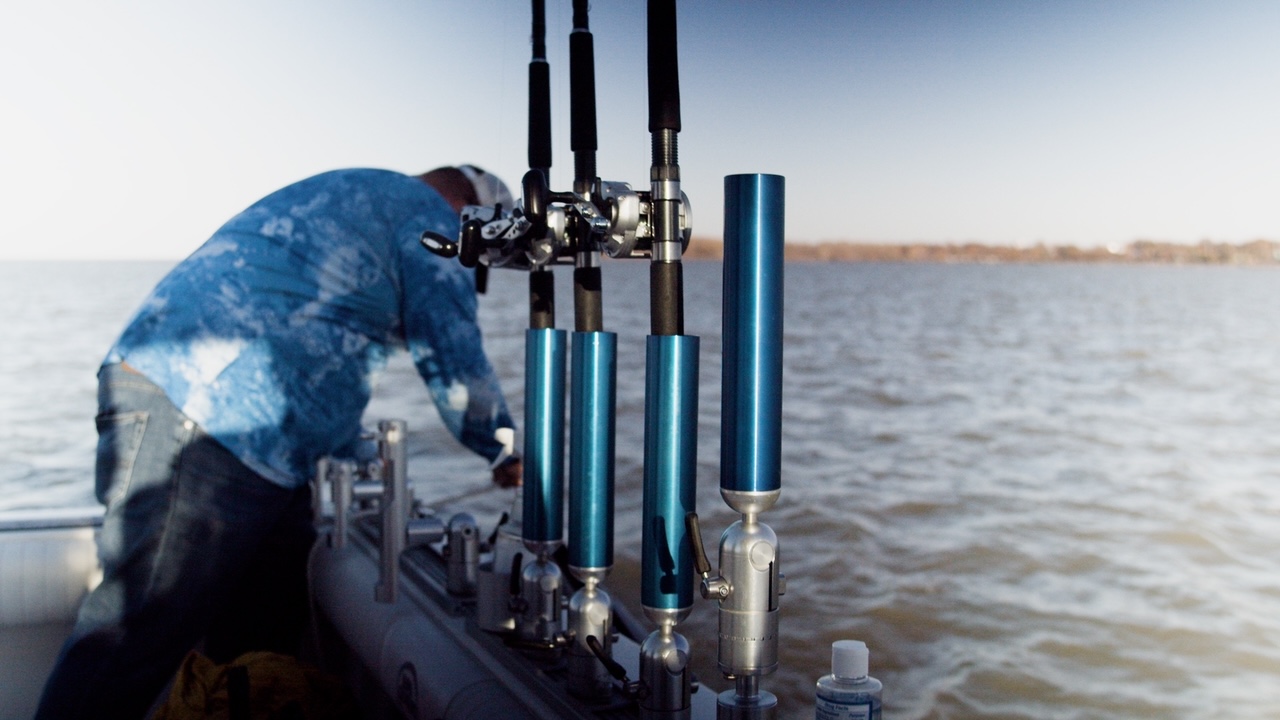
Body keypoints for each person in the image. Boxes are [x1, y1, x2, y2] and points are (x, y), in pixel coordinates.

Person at [36, 166, 522, 719]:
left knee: (262, 631)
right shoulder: (430, 218)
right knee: (136, 632)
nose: (470, 263)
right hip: (207, 413)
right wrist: (505, 451)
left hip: (234, 431)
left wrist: (349, 452)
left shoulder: (364, 197)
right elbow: (453, 352)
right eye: (479, 252)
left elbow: (321, 343)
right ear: (471, 211)